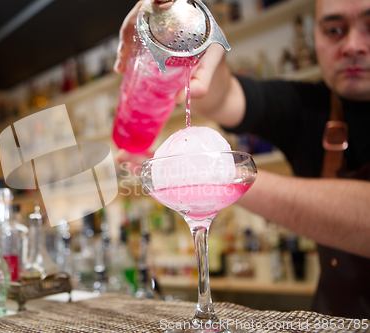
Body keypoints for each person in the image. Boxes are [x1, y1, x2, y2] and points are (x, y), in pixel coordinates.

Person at [114, 0, 370, 319]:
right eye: (334, 30)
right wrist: (188, 33)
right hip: (333, 320)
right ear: (316, 33)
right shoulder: (307, 105)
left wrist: (204, 175)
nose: (354, 46)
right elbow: (219, 95)